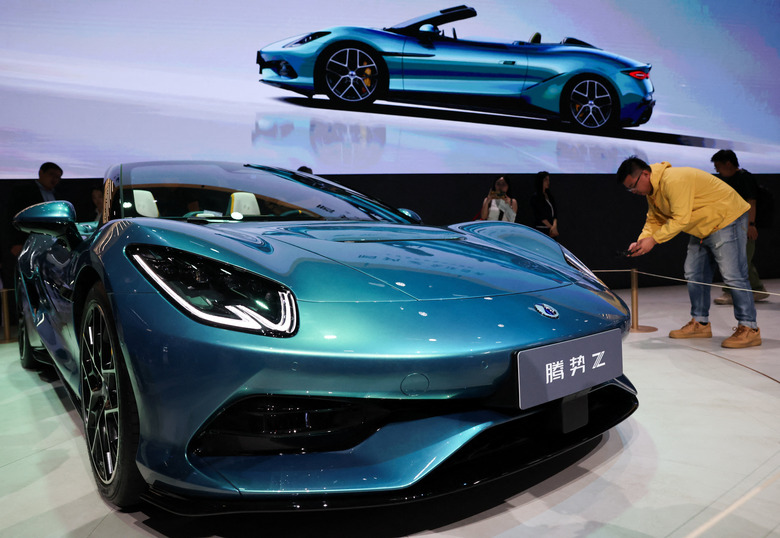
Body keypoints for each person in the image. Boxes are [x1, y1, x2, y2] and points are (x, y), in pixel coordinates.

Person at [617, 156, 761, 348]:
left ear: (645, 174)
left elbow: (680, 218)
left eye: (633, 186)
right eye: (629, 189)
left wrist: (654, 240)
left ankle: (749, 328)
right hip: (702, 226)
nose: (633, 191)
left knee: (734, 275)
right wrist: (642, 240)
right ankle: (700, 323)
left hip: (726, 218)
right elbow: (654, 219)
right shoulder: (653, 190)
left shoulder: (673, 180)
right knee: (694, 273)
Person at [710, 150, 768, 304]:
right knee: (742, 259)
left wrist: (751, 224)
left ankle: (730, 292)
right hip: (731, 225)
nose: (716, 170)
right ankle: (757, 289)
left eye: (718, 166)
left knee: (736, 260)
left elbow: (751, 202)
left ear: (728, 163)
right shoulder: (728, 179)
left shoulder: (744, 178)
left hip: (743, 225)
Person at [8, 162, 63, 258]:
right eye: (51, 174)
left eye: (58, 177)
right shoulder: (23, 191)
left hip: (53, 245)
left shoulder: (59, 196)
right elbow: (11, 217)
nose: (54, 179)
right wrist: (16, 242)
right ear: (41, 173)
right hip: (27, 243)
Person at [530, 171, 559, 238]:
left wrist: (554, 226)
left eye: (548, 180)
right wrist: (551, 228)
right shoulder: (535, 197)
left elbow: (555, 212)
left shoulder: (549, 196)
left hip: (551, 230)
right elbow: (540, 215)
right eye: (546, 180)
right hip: (541, 230)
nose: (548, 182)